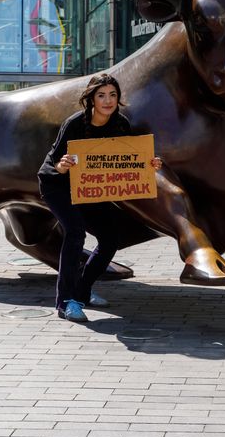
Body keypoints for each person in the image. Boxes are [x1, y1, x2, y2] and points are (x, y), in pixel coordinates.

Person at [37, 74, 162, 323]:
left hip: (90, 189)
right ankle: (65, 302)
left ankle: (82, 291)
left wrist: (148, 165)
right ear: (91, 98)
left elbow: (128, 160)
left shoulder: (121, 124)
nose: (108, 101)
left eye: (112, 95)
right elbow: (54, 161)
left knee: (110, 239)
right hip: (58, 186)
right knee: (75, 232)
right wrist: (63, 167)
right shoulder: (74, 123)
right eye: (101, 95)